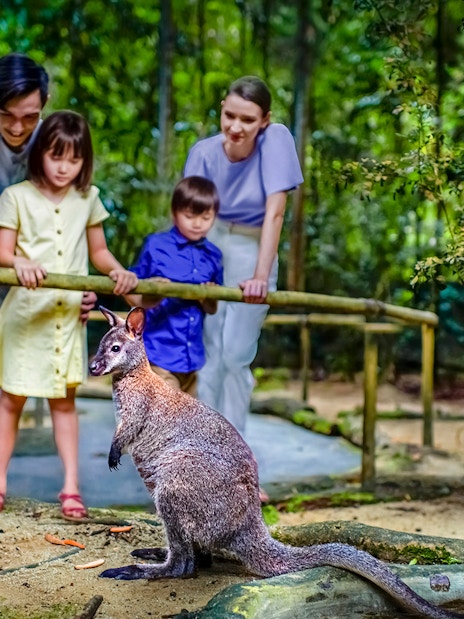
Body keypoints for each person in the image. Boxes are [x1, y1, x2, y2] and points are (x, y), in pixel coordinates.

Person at [0, 110, 138, 518]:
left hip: (67, 319)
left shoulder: (88, 199)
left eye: (74, 159)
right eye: (56, 156)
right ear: (40, 152)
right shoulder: (16, 197)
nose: (64, 167)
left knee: (64, 402)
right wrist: (19, 262)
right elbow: (3, 250)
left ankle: (71, 488)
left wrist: (116, 270)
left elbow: (98, 251)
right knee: (10, 401)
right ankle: (0, 482)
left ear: (85, 161)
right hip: (24, 316)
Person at [184, 75, 304, 436]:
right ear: (222, 109)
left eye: (248, 120)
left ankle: (237, 457)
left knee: (237, 354)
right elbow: (190, 219)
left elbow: (275, 213)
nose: (237, 127)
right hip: (210, 241)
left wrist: (259, 275)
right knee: (210, 352)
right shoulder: (202, 153)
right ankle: (204, 457)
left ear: (264, 120)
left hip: (254, 246)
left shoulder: (277, 140)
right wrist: (194, 272)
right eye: (230, 116)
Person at [0, 51, 97, 319]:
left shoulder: (56, 145)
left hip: (38, 293)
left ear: (45, 103)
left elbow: (71, 221)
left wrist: (79, 288)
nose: (17, 128)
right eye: (6, 114)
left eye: (30, 117)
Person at [125, 176, 223, 397]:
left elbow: (212, 308)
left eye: (206, 217)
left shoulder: (214, 256)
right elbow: (128, 290)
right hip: (158, 353)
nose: (197, 223)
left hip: (192, 358)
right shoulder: (156, 246)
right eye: (189, 216)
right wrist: (152, 295)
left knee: (185, 424)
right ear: (174, 212)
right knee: (170, 420)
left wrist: (206, 296)